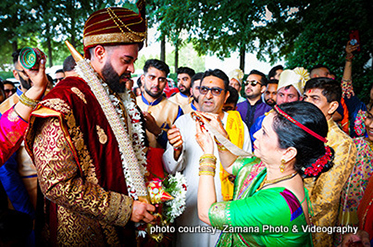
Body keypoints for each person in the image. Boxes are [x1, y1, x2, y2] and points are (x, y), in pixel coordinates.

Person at [24, 7, 155, 246]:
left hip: (124, 227)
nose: (133, 69)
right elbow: (56, 185)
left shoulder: (117, 96)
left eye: (134, 61)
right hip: (82, 233)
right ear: (100, 52)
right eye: (127, 60)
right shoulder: (62, 103)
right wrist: (126, 209)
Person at [196, 101, 333, 246]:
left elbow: (206, 213)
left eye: (264, 132)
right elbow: (231, 164)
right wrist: (220, 135)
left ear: (288, 153)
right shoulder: (271, 168)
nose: (255, 135)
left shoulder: (277, 204)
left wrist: (207, 154)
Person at [163, 69, 251, 247]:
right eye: (204, 90)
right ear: (197, 92)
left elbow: (247, 169)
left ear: (226, 96)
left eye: (216, 91)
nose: (208, 95)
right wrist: (176, 149)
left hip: (226, 206)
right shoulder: (183, 122)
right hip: (191, 205)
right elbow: (170, 168)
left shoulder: (238, 126)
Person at [303, 77, 357, 246]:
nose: (307, 103)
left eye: (315, 99)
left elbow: (325, 199)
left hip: (313, 228)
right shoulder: (301, 130)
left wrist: (289, 215)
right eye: (305, 97)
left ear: (332, 107)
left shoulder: (342, 144)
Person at [0, 59, 48, 165]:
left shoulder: (55, 100)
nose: (32, 75)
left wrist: (37, 88)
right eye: (26, 71)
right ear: (16, 74)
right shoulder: (3, 109)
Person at [136, 59, 183, 149]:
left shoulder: (175, 110)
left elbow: (180, 146)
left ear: (165, 83)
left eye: (161, 80)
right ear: (142, 79)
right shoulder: (131, 103)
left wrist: (157, 131)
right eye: (152, 78)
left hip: (162, 161)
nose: (156, 83)